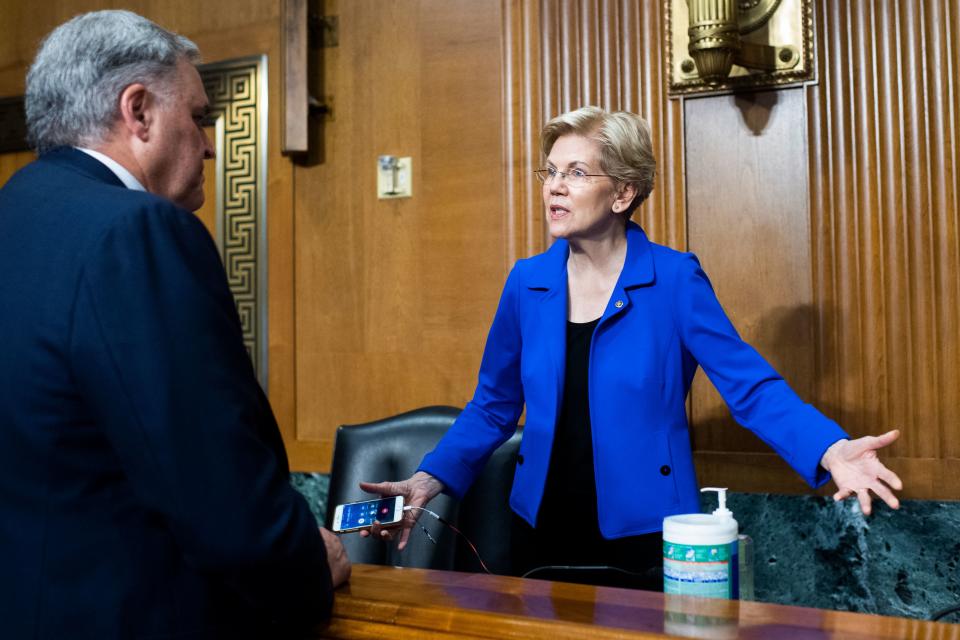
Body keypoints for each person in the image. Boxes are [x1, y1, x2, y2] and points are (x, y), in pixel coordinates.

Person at [361, 106, 902, 589]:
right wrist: (429, 479)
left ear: (623, 192)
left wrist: (829, 449)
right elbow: (493, 405)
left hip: (646, 533)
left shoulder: (673, 278)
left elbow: (751, 388)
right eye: (550, 171)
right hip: (537, 526)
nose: (554, 186)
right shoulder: (527, 283)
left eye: (575, 173)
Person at [0, 10, 349, 638]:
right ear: (137, 112)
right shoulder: (137, 231)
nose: (211, 142)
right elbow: (223, 504)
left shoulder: (15, 215)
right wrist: (308, 563)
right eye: (198, 116)